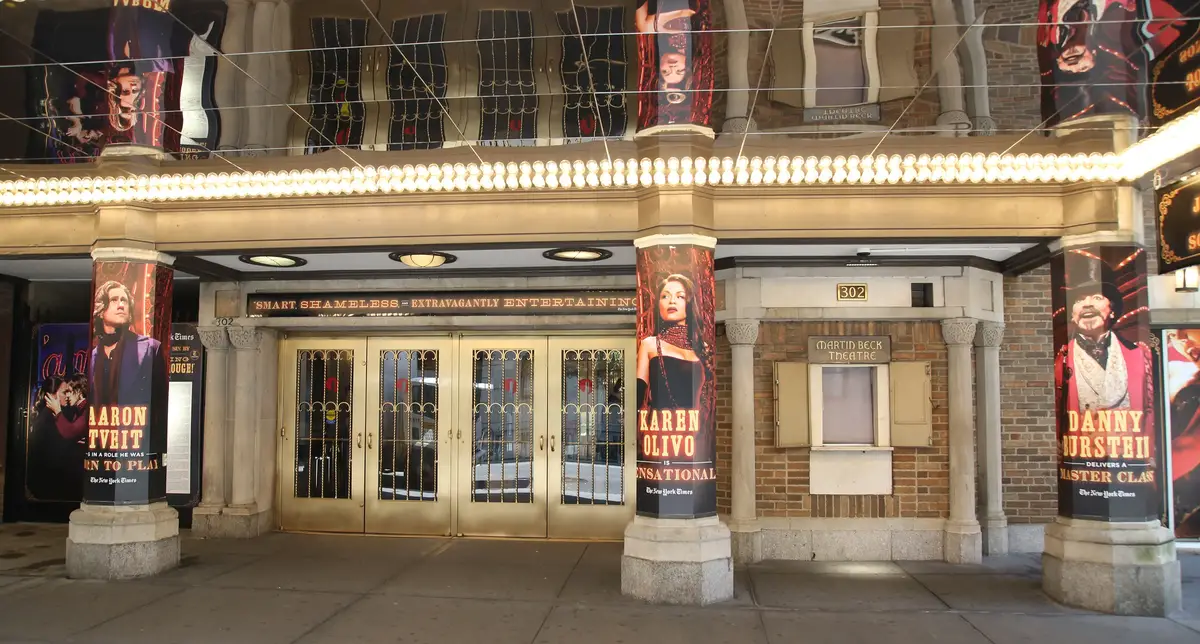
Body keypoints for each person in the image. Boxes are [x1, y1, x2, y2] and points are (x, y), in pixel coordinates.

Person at [1053, 258, 1154, 442]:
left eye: (1097, 297)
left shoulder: (1138, 355)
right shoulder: (1062, 360)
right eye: (1080, 299)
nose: (1087, 304)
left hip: (1128, 460)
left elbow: (1149, 412)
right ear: (1073, 315)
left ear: (1112, 309)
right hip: (1081, 460)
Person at [637, 273, 710, 414]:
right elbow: (638, 398)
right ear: (659, 305)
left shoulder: (703, 348)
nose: (672, 301)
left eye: (680, 296)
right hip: (660, 430)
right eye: (665, 296)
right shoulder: (649, 344)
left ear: (689, 304)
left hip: (695, 432)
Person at [89, 280, 166, 411]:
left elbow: (160, 403)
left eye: (124, 301)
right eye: (114, 300)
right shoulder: (93, 356)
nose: (121, 306)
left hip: (137, 429)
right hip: (102, 429)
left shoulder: (150, 349)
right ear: (101, 311)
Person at [26, 376, 85, 502]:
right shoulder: (47, 418)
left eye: (69, 392)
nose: (67, 396)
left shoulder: (60, 414)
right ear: (51, 396)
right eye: (64, 392)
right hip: (49, 483)